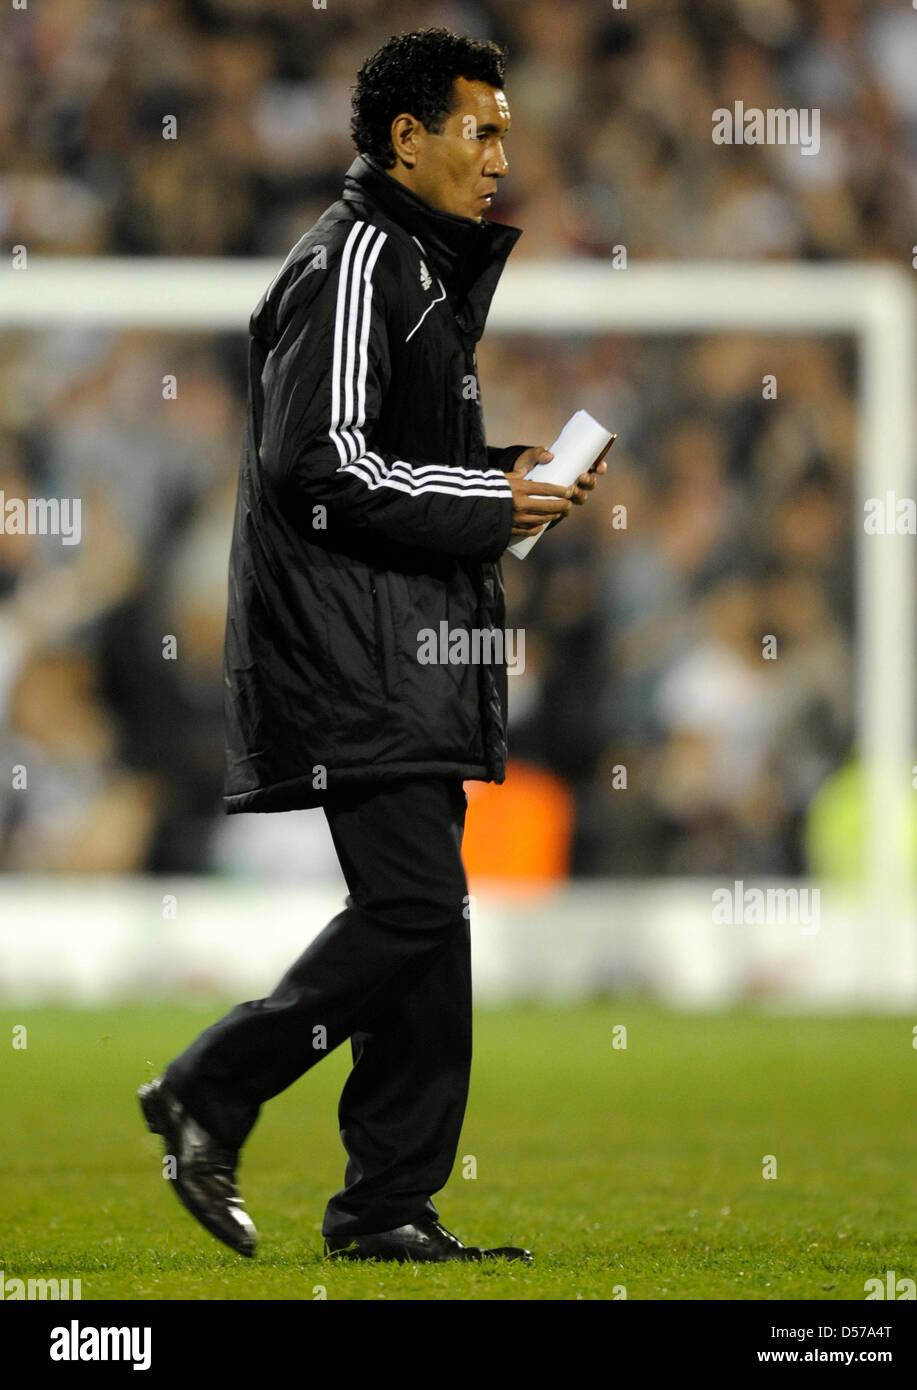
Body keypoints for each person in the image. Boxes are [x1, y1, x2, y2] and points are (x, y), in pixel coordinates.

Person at [139, 27, 605, 1265]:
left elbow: (391, 464)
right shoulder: (355, 258)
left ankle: (387, 1201)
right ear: (408, 137)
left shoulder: (416, 270)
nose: (503, 156)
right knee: (411, 903)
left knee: (427, 915)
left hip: (407, 640)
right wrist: (486, 504)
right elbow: (319, 464)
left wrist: (506, 477)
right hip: (345, 642)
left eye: (507, 130)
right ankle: (209, 1086)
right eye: (481, 130)